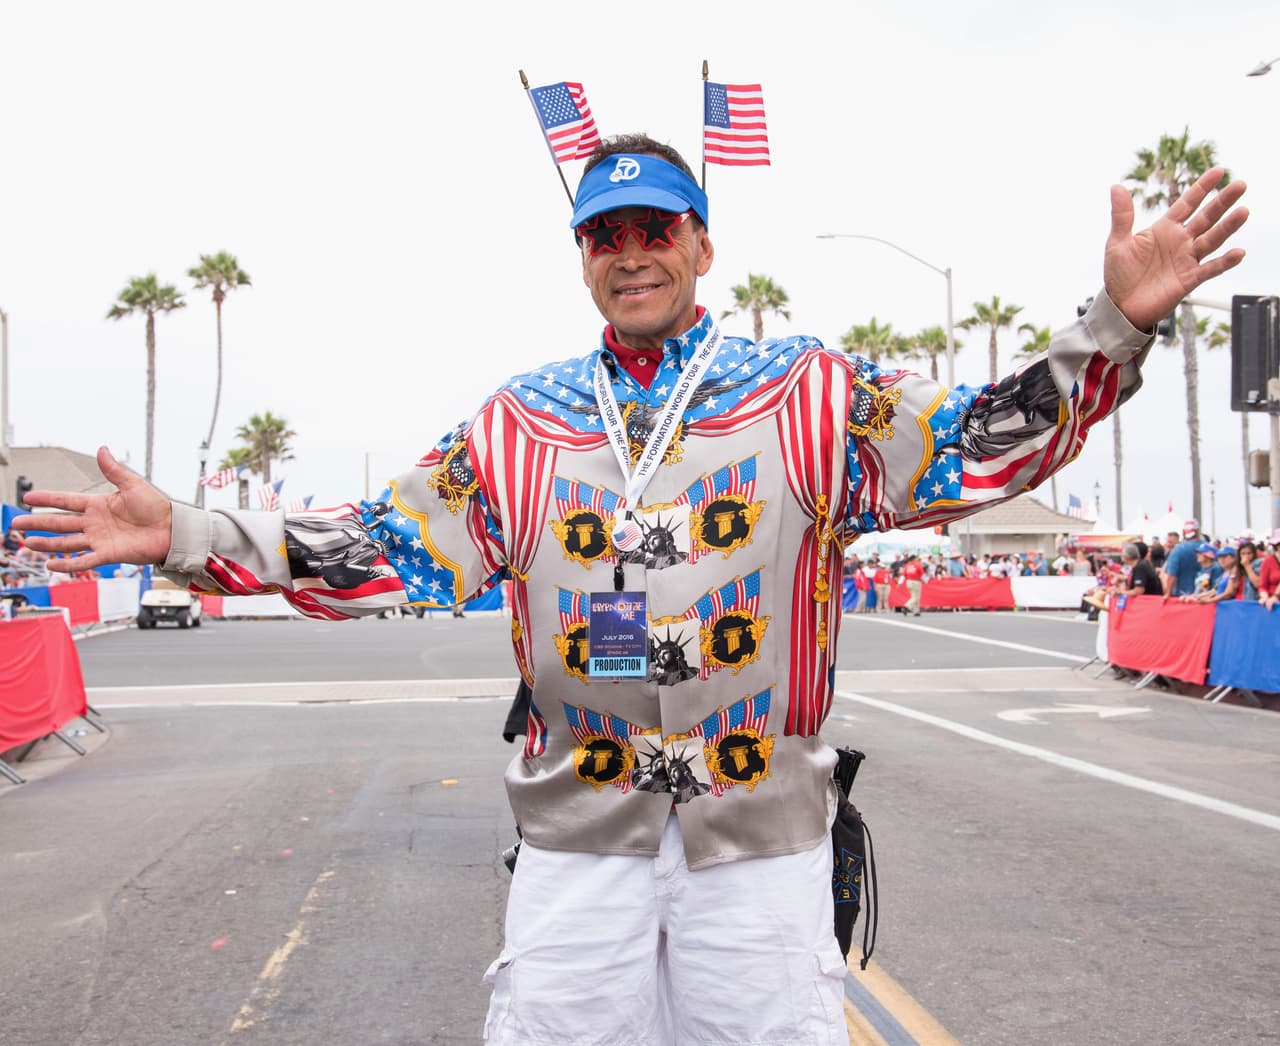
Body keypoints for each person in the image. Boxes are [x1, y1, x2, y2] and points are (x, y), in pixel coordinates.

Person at [14, 136, 1248, 1044]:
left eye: (655, 228)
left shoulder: (806, 396)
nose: (631, 252)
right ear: (583, 261)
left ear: (701, 246)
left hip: (756, 832)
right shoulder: (520, 425)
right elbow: (377, 543)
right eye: (606, 235)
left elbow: (983, 440)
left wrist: (1110, 330)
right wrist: (184, 528)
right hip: (577, 839)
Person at [1161, 519, 1203, 597]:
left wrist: (1168, 593)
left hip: (1181, 595)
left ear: (1184, 532)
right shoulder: (1208, 548)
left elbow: (1171, 574)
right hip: (1204, 596)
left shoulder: (1178, 550)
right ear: (1198, 531)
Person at [1259, 531, 1280, 610]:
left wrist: (1275, 596)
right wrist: (1264, 597)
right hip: (1272, 607)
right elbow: (1262, 586)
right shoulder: (1267, 562)